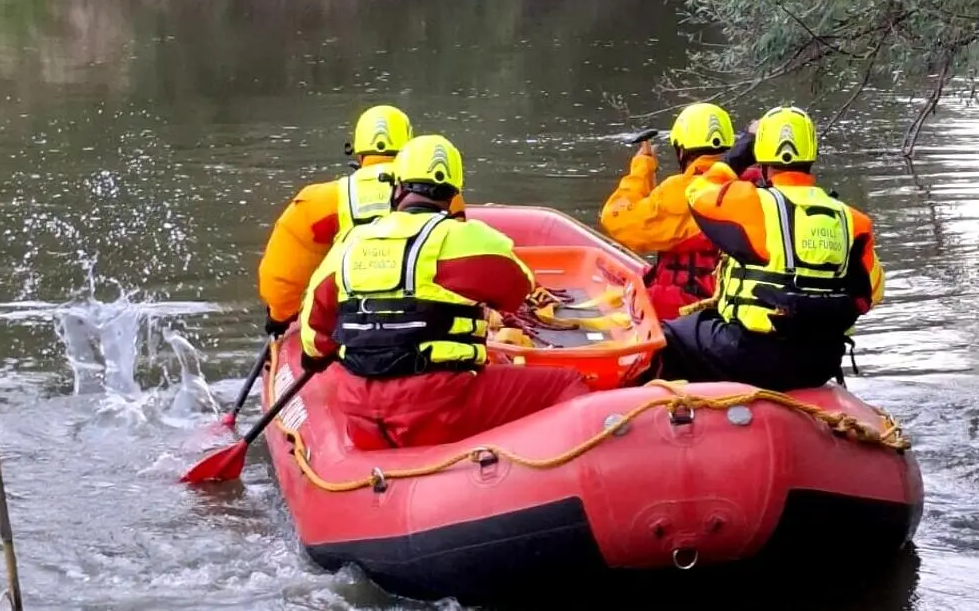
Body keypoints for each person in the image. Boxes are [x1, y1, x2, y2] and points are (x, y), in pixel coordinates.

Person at [298, 134, 589, 449]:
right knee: (567, 384)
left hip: (362, 416)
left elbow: (313, 337)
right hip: (438, 410)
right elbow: (518, 290)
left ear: (397, 188)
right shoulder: (470, 239)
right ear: (453, 195)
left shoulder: (348, 244)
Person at [640, 105, 885, 392]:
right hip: (821, 362)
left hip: (752, 356)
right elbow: (874, 292)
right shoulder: (853, 220)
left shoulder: (753, 205)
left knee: (666, 336)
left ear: (762, 157)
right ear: (811, 154)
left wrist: (743, 147)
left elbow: (697, 191)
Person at [257, 104, 468, 335]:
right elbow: (457, 263)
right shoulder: (445, 198)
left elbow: (283, 276)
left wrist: (280, 317)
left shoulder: (318, 202)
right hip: (420, 319)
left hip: (348, 322)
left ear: (357, 151)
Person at [600, 102, 755, 322]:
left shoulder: (680, 191)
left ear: (681, 150)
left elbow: (617, 219)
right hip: (734, 304)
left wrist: (642, 167)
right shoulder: (753, 184)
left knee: (623, 301)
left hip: (684, 307)